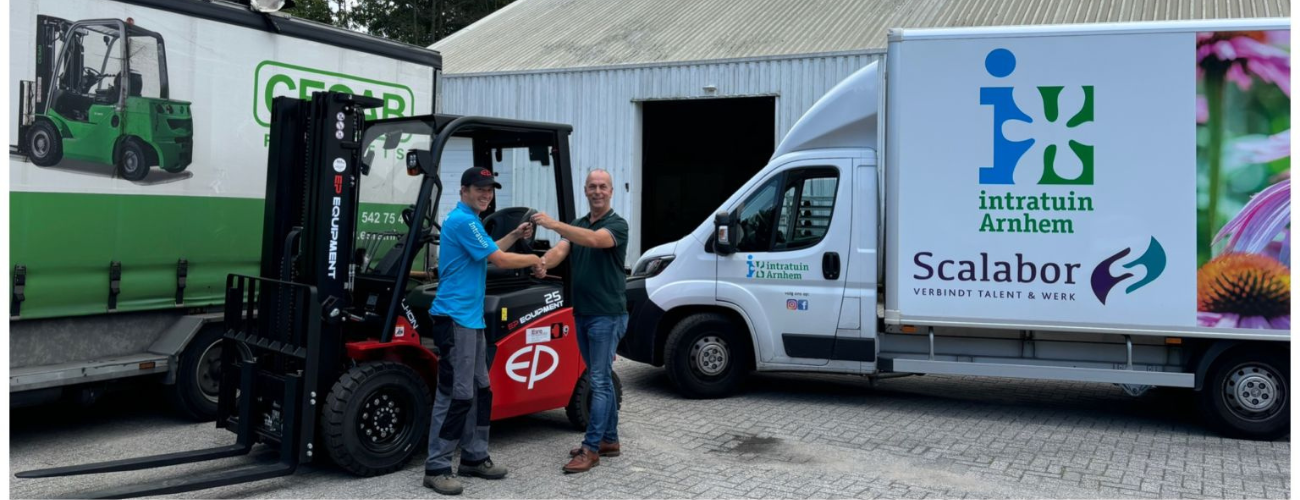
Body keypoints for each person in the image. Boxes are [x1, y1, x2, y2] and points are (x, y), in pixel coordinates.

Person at [424, 166, 541, 495]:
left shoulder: (471, 221)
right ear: (463, 190)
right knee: (456, 394)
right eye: (479, 188)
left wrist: (516, 235)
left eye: (489, 189)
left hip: (470, 320)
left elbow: (491, 251)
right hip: (456, 320)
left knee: (480, 389)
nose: (486, 194)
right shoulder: (462, 220)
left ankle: (474, 458)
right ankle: (436, 465)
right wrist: (535, 260)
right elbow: (501, 261)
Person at [529, 169, 629, 474]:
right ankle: (609, 440)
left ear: (611, 191)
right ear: (585, 191)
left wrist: (552, 223)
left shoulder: (617, 225)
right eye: (592, 187)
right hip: (583, 313)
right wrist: (543, 262)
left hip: (607, 314)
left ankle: (591, 448)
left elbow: (595, 241)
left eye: (602, 187)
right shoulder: (577, 225)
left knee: (598, 381)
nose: (597, 191)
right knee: (600, 377)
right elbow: (563, 247)